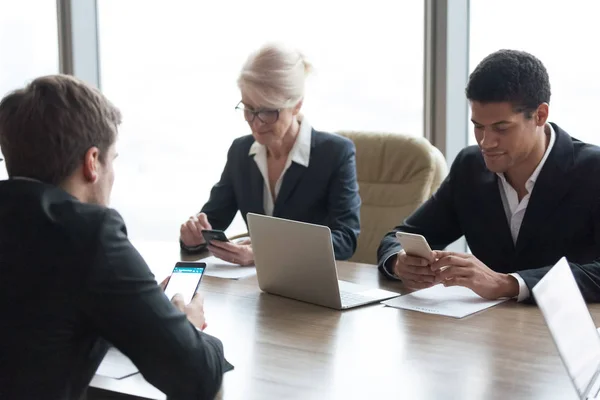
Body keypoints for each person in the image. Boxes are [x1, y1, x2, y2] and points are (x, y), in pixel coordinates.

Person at [0, 75, 227, 399]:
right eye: (113, 160)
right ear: (92, 162)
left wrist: (138, 311)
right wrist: (184, 325)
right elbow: (196, 375)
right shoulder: (88, 235)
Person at [377, 49, 600, 302]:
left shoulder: (593, 170)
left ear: (540, 115)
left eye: (501, 128)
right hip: (485, 329)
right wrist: (399, 262)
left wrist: (510, 284)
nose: (486, 142)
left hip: (571, 331)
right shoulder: (469, 167)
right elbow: (398, 237)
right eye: (478, 126)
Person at [180, 43, 361, 264]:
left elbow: (345, 240)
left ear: (296, 105)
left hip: (310, 285)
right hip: (252, 286)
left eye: (267, 111)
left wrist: (266, 253)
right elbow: (212, 222)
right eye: (248, 108)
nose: (256, 122)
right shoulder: (240, 151)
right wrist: (194, 237)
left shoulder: (335, 154)